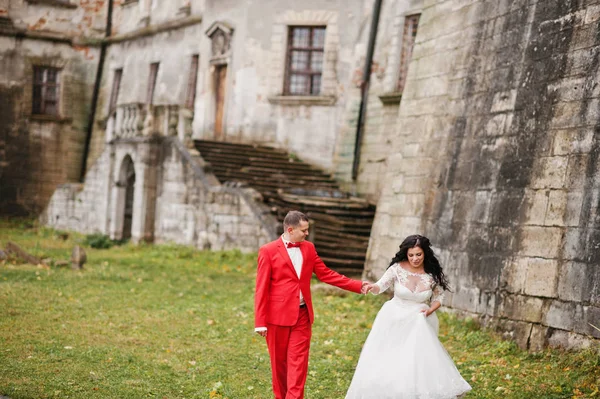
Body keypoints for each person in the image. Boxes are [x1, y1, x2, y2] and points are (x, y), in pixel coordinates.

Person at [255, 210, 369, 399]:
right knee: (279, 366)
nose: (307, 234)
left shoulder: (309, 248)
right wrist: (260, 321)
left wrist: (358, 285)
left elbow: (326, 274)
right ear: (290, 230)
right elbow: (261, 288)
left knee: (298, 365)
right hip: (277, 318)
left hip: (302, 316)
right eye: (304, 230)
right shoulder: (267, 251)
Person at [345, 234, 472, 399]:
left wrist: (429, 311)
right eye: (411, 255)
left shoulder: (432, 273)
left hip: (419, 320)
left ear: (425, 253)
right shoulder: (397, 268)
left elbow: (439, 298)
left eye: (418, 254)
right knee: (389, 356)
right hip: (394, 317)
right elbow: (381, 286)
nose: (415, 258)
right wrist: (372, 287)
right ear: (406, 254)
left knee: (414, 360)